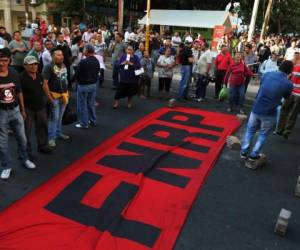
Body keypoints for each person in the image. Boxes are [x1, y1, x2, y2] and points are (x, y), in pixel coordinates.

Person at [240, 61, 293, 167]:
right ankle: (254, 155)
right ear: (290, 72)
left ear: (280, 67)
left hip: (257, 107)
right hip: (270, 112)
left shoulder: (268, 74)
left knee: (250, 130)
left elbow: (262, 86)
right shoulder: (288, 84)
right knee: (263, 134)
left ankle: (243, 151)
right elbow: (287, 97)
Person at [0, 48, 36, 180]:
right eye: (0, 60)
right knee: (2, 142)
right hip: (1, 113)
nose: (2, 63)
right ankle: (6, 166)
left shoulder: (14, 72)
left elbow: (19, 91)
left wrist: (23, 109)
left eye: (4, 60)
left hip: (15, 110)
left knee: (22, 138)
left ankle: (24, 159)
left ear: (9, 60)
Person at [21, 56, 52, 158]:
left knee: (42, 127)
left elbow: (44, 86)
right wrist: (22, 110)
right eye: (31, 64)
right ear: (25, 66)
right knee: (26, 131)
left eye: (35, 64)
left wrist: (50, 98)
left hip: (40, 107)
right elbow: (19, 94)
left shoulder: (39, 75)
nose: (34, 66)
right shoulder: (21, 78)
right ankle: (27, 151)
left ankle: (43, 146)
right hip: (28, 109)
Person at [42, 48, 70, 148]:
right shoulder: (48, 67)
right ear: (53, 56)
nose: (61, 56)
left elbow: (65, 80)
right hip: (54, 97)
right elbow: (44, 84)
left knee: (60, 117)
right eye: (58, 55)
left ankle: (58, 133)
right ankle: (51, 138)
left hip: (64, 95)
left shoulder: (63, 65)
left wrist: (67, 92)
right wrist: (49, 97)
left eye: (61, 54)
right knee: (54, 118)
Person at [75, 44, 100, 129]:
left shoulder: (83, 62)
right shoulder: (96, 61)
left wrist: (77, 81)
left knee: (82, 105)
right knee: (91, 104)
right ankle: (93, 120)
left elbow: (77, 74)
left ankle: (84, 123)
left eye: (84, 49)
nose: (83, 50)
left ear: (87, 51)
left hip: (83, 85)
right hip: (93, 85)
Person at [276, 52, 300, 138]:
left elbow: (287, 78)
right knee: (293, 114)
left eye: (294, 57)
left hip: (290, 92)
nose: (293, 59)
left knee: (284, 110)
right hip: (297, 95)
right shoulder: (294, 66)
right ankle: (286, 131)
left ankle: (280, 129)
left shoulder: (294, 67)